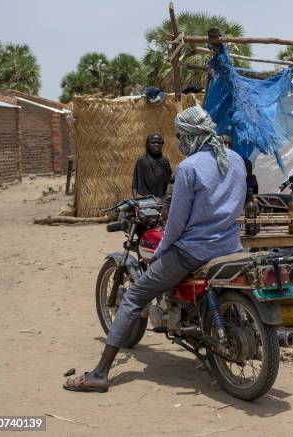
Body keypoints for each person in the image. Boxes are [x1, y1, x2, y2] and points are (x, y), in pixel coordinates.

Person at [63, 106, 247, 393]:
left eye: (181, 136)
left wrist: (161, 250)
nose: (178, 141)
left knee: (135, 294)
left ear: (190, 136)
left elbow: (175, 223)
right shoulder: (235, 159)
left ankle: (100, 373)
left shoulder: (189, 168)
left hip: (193, 252)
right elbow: (239, 202)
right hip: (231, 246)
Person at [132, 133, 172, 198]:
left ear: (162, 144)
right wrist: (136, 200)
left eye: (159, 143)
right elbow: (135, 183)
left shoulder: (165, 161)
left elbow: (169, 181)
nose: (156, 144)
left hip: (162, 200)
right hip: (145, 201)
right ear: (148, 144)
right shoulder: (142, 161)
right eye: (153, 142)